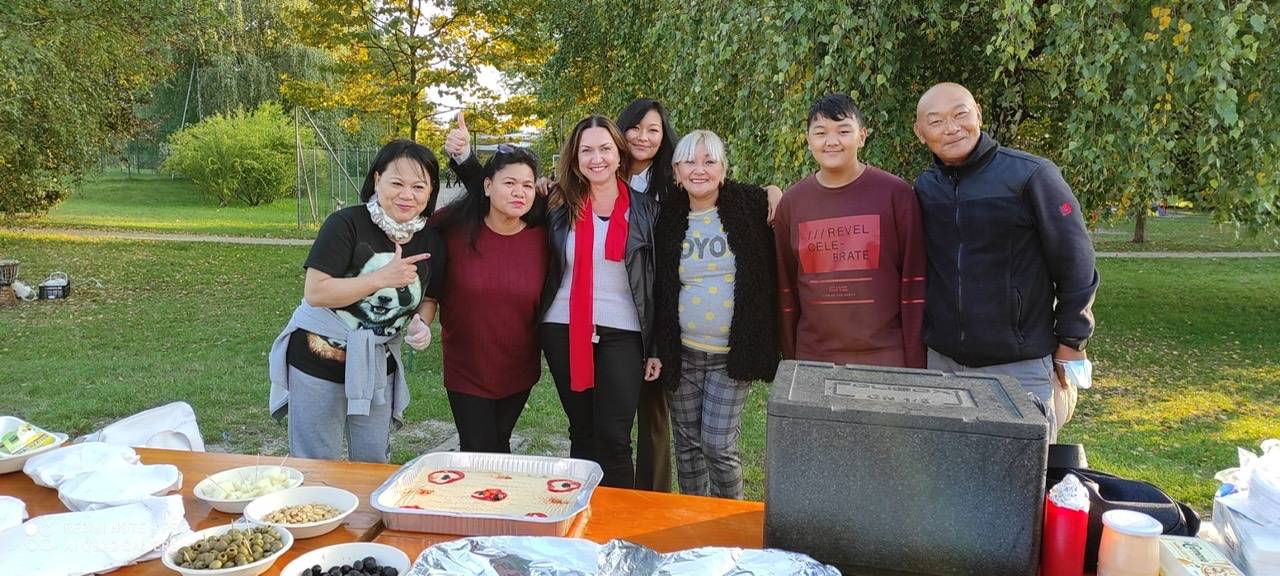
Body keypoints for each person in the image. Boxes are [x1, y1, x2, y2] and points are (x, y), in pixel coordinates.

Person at [912, 82, 1099, 440]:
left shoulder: (1031, 175)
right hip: (942, 363)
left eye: (960, 114)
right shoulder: (925, 188)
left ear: (978, 114)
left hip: (1019, 366)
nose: (951, 128)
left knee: (1022, 479)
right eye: (935, 121)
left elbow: (1076, 261)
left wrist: (1072, 342)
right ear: (921, 133)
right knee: (948, 473)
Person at [269, 139, 446, 463]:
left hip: (377, 364)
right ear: (377, 180)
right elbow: (316, 292)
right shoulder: (346, 224)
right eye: (397, 183)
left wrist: (422, 322)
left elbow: (429, 295)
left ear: (431, 190)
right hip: (318, 356)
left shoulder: (431, 239)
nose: (407, 195)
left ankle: (368, 516)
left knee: (373, 461)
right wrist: (380, 278)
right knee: (315, 462)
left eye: (419, 186)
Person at [652, 130, 777, 499]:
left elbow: (785, 205)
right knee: (688, 448)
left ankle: (731, 519)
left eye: (709, 161)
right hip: (683, 353)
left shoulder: (750, 206)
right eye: (690, 161)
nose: (699, 170)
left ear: (723, 169)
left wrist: (775, 189)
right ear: (676, 171)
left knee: (718, 446)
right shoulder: (667, 216)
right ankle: (695, 523)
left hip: (731, 355)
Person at [541, 115, 660, 488]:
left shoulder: (646, 209)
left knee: (614, 438)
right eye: (587, 150)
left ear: (619, 153)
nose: (597, 158)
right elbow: (500, 195)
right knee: (582, 432)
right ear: (575, 158)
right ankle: (582, 520)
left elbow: (658, 283)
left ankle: (616, 526)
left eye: (605, 149)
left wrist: (770, 192)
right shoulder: (557, 204)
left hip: (624, 331)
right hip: (564, 327)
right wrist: (463, 161)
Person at [773, 93, 927, 368]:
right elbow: (786, 286)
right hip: (814, 359)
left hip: (886, 358)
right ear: (808, 141)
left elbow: (915, 282)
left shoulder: (896, 194)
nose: (832, 141)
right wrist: (790, 358)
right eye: (820, 133)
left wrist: (914, 360)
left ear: (862, 136)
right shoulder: (793, 203)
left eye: (844, 131)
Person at [433, 119, 548, 453]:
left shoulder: (543, 235)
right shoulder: (453, 228)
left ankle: (497, 502)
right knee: (479, 447)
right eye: (509, 182)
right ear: (486, 186)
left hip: (518, 368)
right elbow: (408, 229)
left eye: (527, 185)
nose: (519, 192)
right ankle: (483, 503)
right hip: (467, 367)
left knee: (498, 444)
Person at [616, 98, 678, 492]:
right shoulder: (600, 172)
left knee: (654, 415)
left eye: (652, 129)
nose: (643, 137)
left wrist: (773, 191)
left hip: (659, 305)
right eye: (635, 128)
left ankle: (652, 497)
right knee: (610, 414)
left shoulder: (673, 181)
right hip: (612, 308)